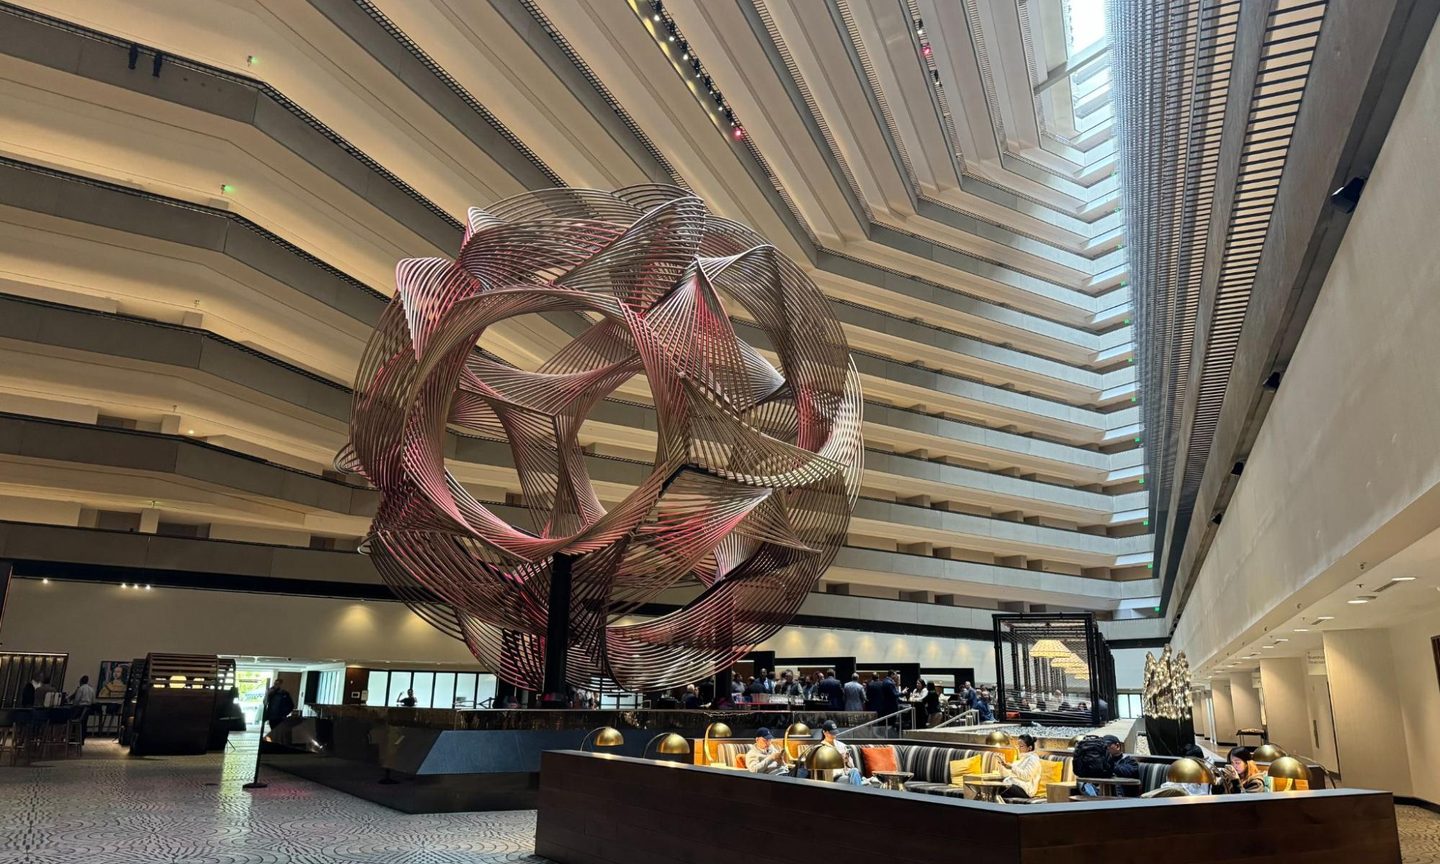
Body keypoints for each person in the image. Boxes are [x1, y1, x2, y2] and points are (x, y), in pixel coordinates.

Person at [998, 734, 1042, 800]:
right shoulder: (1021, 758)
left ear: (1029, 748)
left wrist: (1012, 767)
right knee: (994, 788)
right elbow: (1006, 775)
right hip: (1015, 785)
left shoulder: (1033, 759)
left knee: (997, 790)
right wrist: (1002, 764)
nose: (1018, 748)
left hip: (1026, 790)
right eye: (1018, 746)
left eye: (1021, 746)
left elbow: (1027, 776)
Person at [71, 675, 96, 744]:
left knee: (74, 721)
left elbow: (77, 700)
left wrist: (73, 705)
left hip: (80, 708)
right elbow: (93, 701)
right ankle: (82, 739)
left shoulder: (81, 688)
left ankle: (73, 737)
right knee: (84, 724)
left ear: (81, 681)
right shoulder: (91, 689)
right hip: (88, 708)